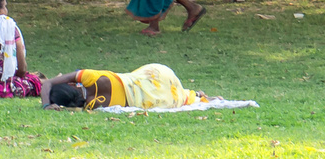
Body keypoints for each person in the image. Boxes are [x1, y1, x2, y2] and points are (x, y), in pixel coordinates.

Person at [41, 64, 209, 111]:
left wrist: (54, 107)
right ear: (71, 84)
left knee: (178, 97)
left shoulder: (93, 105)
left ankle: (197, 95)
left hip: (153, 98)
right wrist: (45, 104)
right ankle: (196, 94)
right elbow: (47, 83)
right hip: (154, 74)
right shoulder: (88, 77)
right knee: (163, 87)